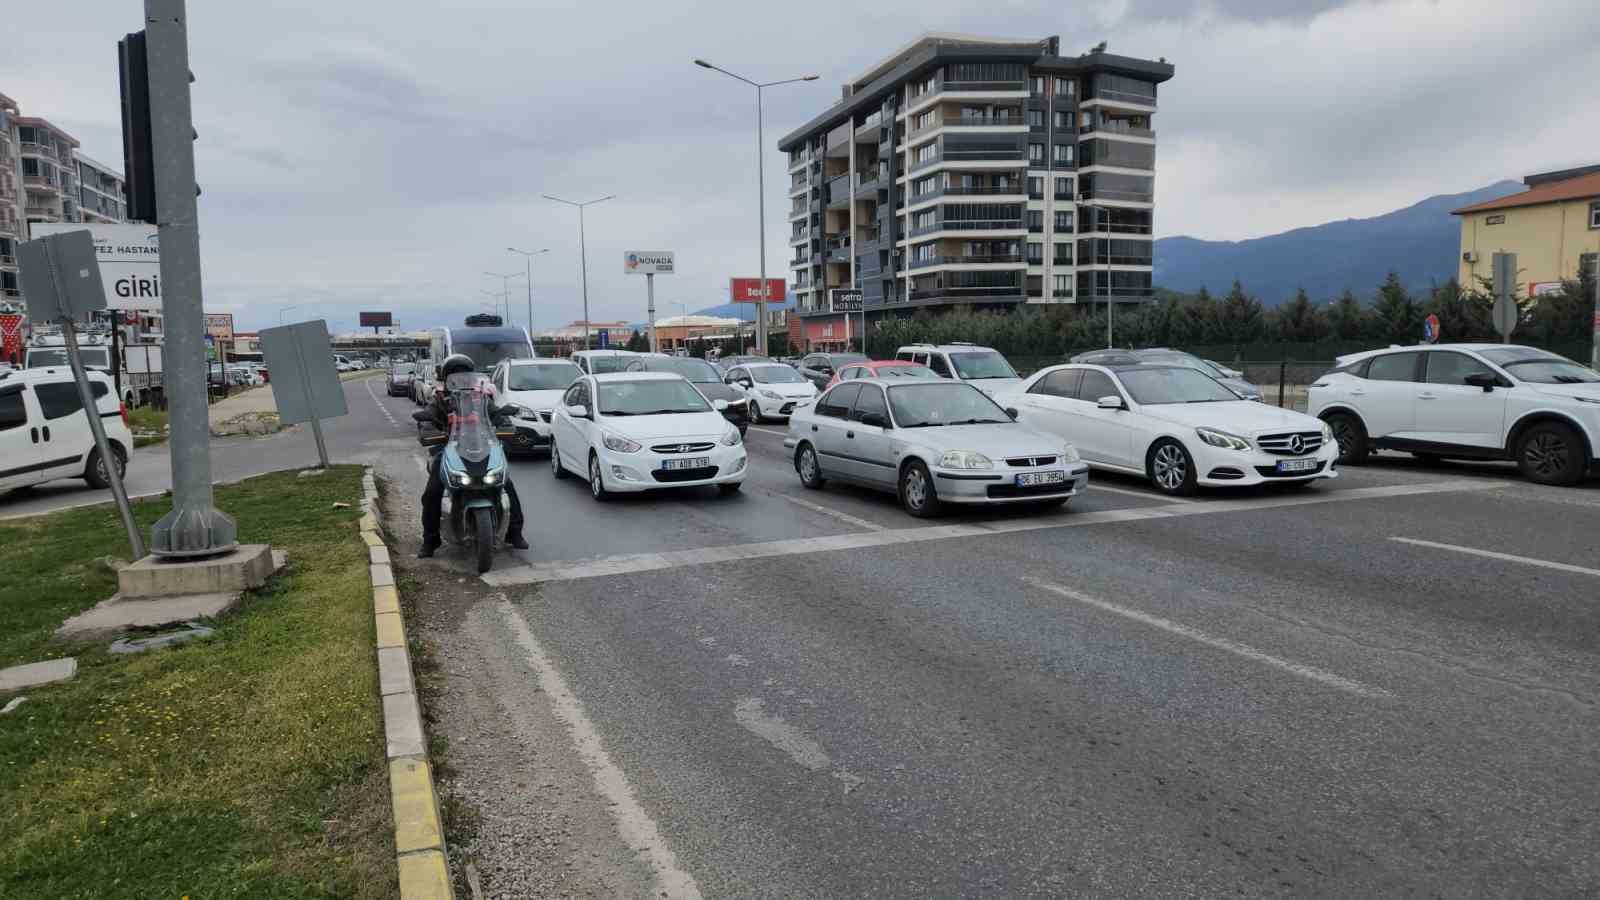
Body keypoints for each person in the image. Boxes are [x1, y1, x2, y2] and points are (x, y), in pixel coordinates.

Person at [418, 354, 528, 557]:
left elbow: (497, 415)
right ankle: (430, 540)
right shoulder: (439, 399)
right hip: (448, 449)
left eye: (465, 375)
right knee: (432, 492)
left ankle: (514, 533)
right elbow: (427, 420)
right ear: (446, 378)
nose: (461, 379)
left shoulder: (481, 398)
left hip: (481, 447)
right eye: (455, 375)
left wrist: (504, 424)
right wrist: (428, 431)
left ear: (472, 376)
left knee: (506, 485)